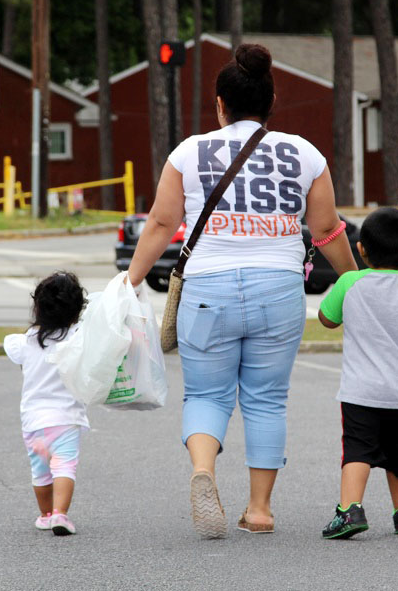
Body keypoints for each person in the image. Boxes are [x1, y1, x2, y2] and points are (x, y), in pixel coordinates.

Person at [127, 43, 358, 538]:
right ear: (272, 102)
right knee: (267, 400)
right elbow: (327, 230)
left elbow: (162, 222)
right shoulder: (306, 154)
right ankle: (259, 510)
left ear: (219, 104)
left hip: (208, 288)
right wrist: (356, 279)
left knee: (207, 394)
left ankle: (203, 470)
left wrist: (129, 281)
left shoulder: (188, 152)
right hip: (278, 288)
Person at [316, 207, 398, 539]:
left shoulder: (350, 282)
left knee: (357, 450)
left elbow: (326, 318)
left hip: (360, 390)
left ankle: (350, 511)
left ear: (361, 249)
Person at [4, 272, 88, 536]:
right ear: (76, 309)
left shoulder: (27, 340)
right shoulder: (78, 337)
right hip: (66, 418)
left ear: (37, 307)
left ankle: (45, 514)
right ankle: (61, 514)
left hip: (33, 423)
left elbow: (13, 350)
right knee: (64, 467)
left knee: (40, 472)